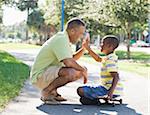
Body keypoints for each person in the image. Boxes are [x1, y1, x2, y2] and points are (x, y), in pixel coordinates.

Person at [30, 18, 88, 104]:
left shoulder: (64, 39)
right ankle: (47, 92)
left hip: (45, 73)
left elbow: (71, 58)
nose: (80, 37)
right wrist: (82, 70)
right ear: (72, 31)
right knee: (72, 72)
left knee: (78, 71)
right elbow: (68, 62)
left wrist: (84, 48)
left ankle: (53, 92)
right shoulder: (61, 39)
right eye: (80, 34)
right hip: (39, 76)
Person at [77, 35, 123, 105]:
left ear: (110, 46)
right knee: (83, 98)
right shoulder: (108, 58)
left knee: (80, 90)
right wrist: (88, 48)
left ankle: (98, 100)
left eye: (102, 44)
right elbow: (98, 59)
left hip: (107, 90)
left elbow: (116, 76)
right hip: (106, 88)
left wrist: (110, 92)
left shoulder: (110, 60)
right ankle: (96, 100)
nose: (100, 45)